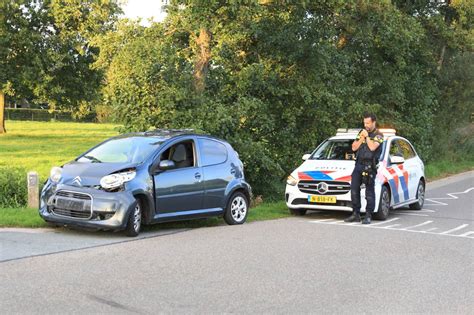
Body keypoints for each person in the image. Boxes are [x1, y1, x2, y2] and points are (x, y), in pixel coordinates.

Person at [344, 113, 384, 224]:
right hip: (358, 165)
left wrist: (366, 137)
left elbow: (372, 147)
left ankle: (368, 215)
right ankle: (355, 213)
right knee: (354, 189)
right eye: (364, 123)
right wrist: (362, 137)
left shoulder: (379, 135)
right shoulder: (361, 133)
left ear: (373, 122)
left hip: (370, 166)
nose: (365, 125)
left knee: (369, 192)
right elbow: (353, 147)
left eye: (368, 123)